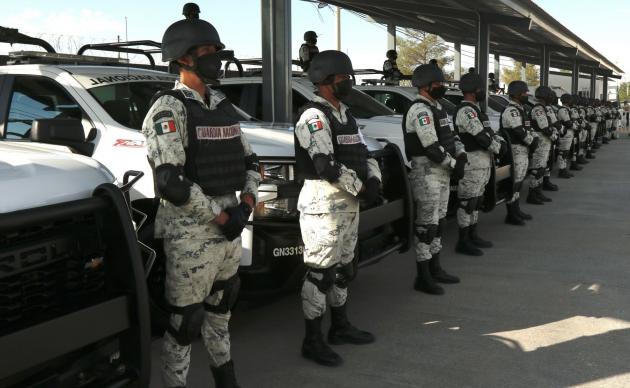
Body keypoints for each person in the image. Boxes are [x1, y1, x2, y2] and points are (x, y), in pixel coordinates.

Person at [142, 9, 261, 388]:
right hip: (193, 234)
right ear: (183, 58)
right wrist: (221, 216)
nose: (216, 57)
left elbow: (250, 160)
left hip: (230, 227)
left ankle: (226, 380)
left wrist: (245, 203)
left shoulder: (222, 105)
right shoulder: (169, 109)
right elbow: (171, 183)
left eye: (216, 49)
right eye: (207, 50)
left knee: (222, 308)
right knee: (184, 322)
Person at [294, 50, 381, 367]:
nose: (350, 83)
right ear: (327, 81)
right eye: (345, 78)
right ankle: (312, 340)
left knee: (344, 269)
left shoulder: (348, 115)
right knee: (321, 274)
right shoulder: (313, 117)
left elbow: (365, 152)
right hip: (324, 205)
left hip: (349, 203)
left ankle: (340, 326)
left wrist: (374, 180)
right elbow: (326, 165)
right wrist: (362, 187)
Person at [402, 64, 465, 294]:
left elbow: (450, 136)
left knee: (439, 224)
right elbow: (431, 146)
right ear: (425, 86)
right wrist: (454, 164)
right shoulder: (420, 110)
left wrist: (462, 155)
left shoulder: (438, 108)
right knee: (426, 226)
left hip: (442, 173)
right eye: (437, 84)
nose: (442, 87)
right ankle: (423, 275)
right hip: (427, 172)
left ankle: (436, 267)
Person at [453, 73, 507, 256]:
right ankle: (463, 240)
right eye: (481, 89)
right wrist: (499, 148)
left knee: (476, 201)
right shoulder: (466, 111)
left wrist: (498, 141)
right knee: (467, 202)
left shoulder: (476, 110)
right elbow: (481, 136)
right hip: (472, 162)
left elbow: (489, 132)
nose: (483, 92)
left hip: (482, 162)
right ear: (474, 91)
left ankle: (473, 234)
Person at [500, 80, 538, 225]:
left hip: (523, 151)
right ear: (516, 94)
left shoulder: (522, 109)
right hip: (515, 151)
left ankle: (516, 209)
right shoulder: (512, 110)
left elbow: (528, 129)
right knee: (514, 183)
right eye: (524, 93)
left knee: (519, 182)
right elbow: (519, 131)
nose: (526, 95)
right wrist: (532, 141)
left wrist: (534, 139)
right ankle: (511, 214)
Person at [526, 86, 556, 205]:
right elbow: (544, 128)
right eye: (550, 95)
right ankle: (532, 194)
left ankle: (538, 191)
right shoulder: (538, 109)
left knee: (542, 167)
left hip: (544, 142)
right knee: (537, 168)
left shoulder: (543, 108)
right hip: (540, 142)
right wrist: (554, 135)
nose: (552, 97)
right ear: (545, 96)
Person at [556, 94, 577, 178]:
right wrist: (576, 127)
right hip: (565, 134)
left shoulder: (567, 109)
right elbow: (568, 122)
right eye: (570, 100)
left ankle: (564, 169)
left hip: (568, 133)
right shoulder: (563, 110)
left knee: (566, 152)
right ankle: (561, 170)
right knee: (563, 152)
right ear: (567, 101)